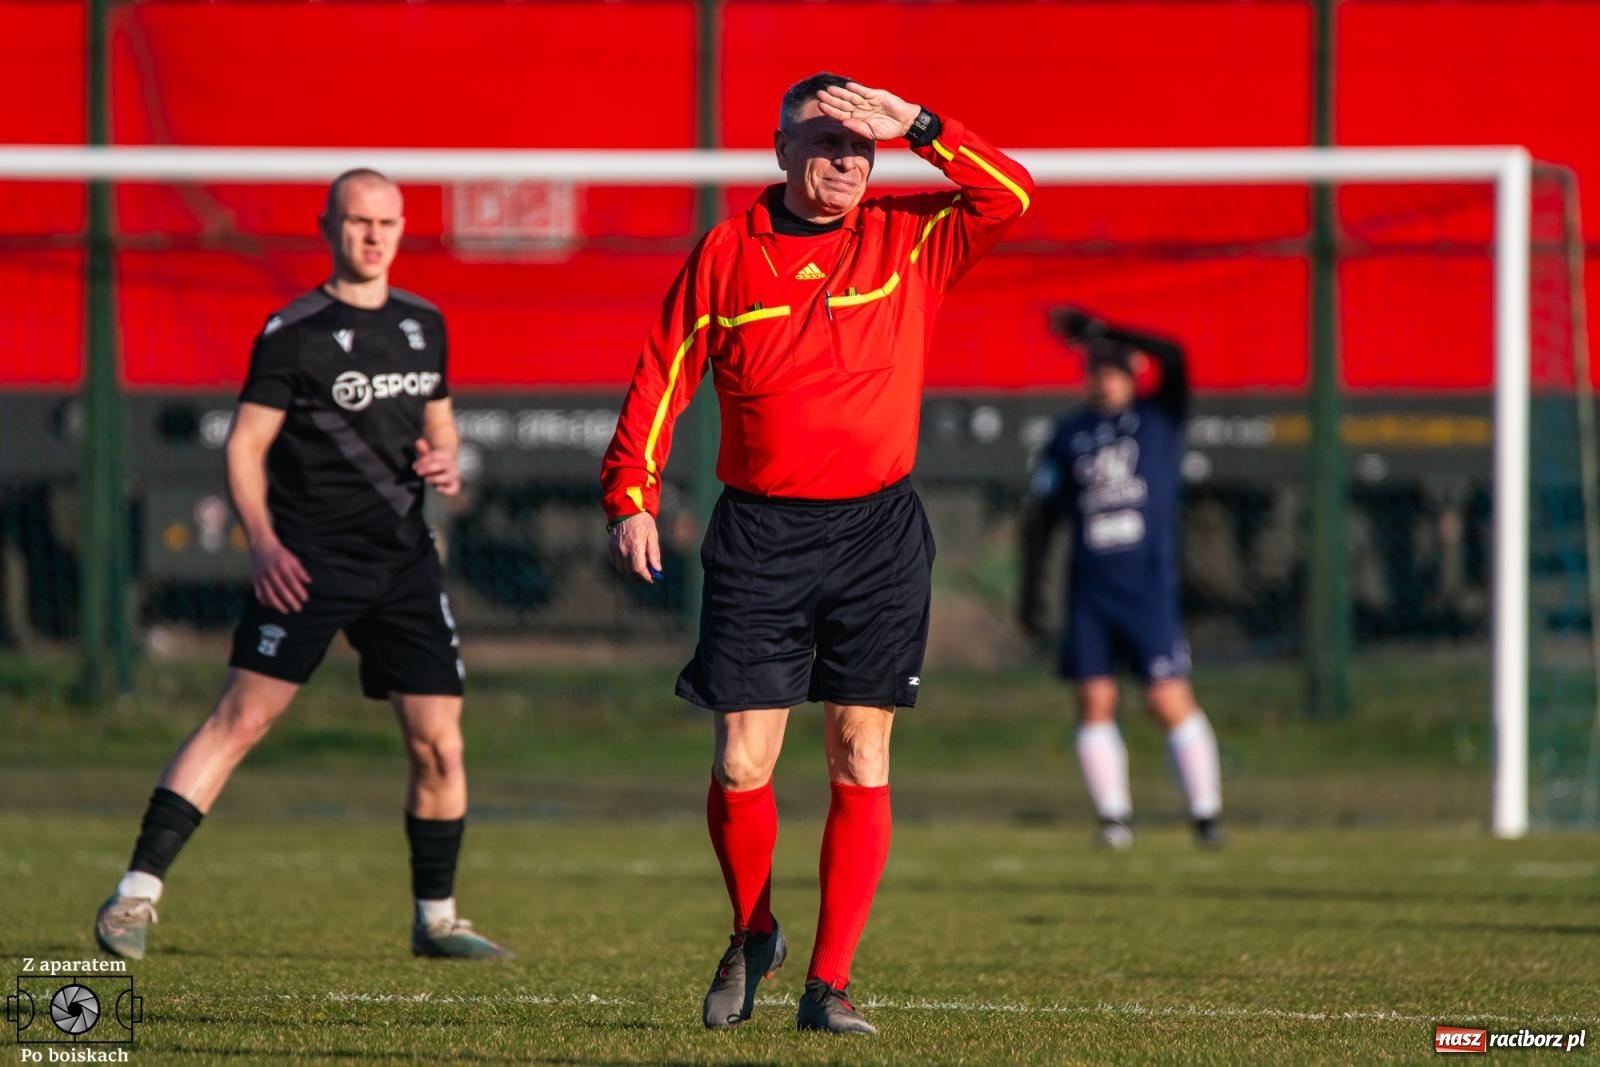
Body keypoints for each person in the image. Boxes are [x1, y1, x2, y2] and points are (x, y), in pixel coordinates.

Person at [601, 74, 1031, 1034]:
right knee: (744, 758)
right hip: (761, 535)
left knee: (859, 748)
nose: (849, 160)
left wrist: (922, 126)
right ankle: (754, 929)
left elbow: (1012, 193)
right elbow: (661, 373)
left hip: (877, 533)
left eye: (862, 146)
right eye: (829, 142)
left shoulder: (910, 233)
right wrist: (631, 493)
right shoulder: (726, 252)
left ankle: (826, 987)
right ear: (782, 149)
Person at [93, 169, 511, 962]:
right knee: (240, 719)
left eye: (386, 221)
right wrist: (264, 542)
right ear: (329, 227)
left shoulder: (425, 323)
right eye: (358, 221)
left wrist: (446, 462)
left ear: (402, 226)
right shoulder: (294, 331)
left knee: (440, 745)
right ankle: (134, 897)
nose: (374, 236)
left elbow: (441, 425)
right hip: (308, 561)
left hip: (403, 562)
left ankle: (437, 919)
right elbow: (245, 445)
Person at [1019, 308, 1224, 850]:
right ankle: (1114, 819)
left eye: (1115, 368)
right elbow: (1042, 519)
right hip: (1090, 592)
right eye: (1097, 367)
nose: (1105, 378)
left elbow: (1174, 354)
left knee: (1167, 699)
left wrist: (1108, 330)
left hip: (1148, 589)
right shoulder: (1069, 434)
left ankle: (1206, 815)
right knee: (1095, 699)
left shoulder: (1160, 419)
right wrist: (1031, 590)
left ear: (1132, 373)